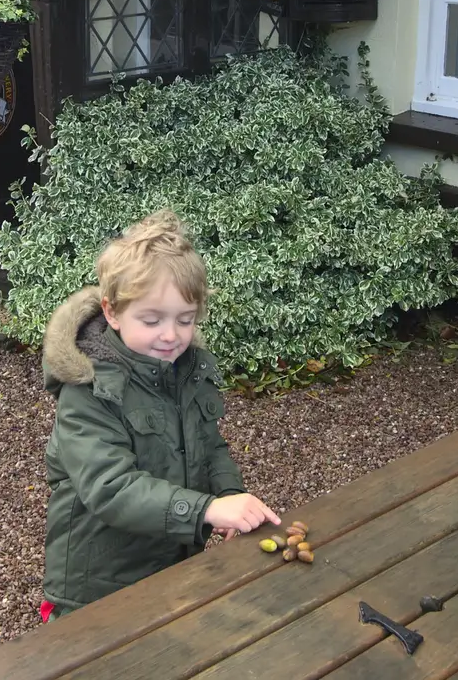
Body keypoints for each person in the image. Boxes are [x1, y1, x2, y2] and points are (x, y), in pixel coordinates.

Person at [39, 210, 280, 619]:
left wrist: (228, 493)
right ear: (112, 313)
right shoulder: (88, 390)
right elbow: (110, 487)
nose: (171, 335)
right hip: (97, 586)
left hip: (175, 564)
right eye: (152, 320)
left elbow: (209, 445)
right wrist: (204, 511)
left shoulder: (185, 369)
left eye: (185, 320)